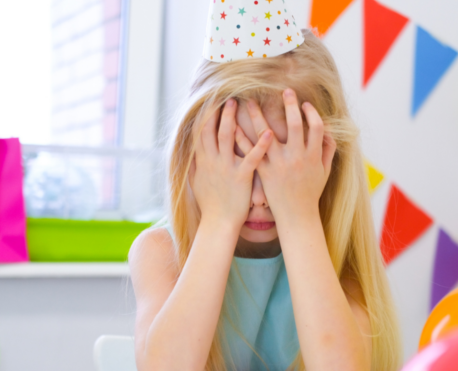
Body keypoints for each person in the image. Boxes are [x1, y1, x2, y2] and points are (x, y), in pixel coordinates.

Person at [128, 3, 401, 369]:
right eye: (238, 162)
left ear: (328, 167)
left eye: (282, 169)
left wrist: (299, 216)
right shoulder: (161, 253)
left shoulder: (340, 266)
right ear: (194, 160)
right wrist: (220, 219)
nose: (258, 198)